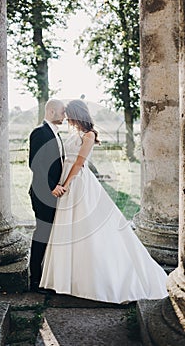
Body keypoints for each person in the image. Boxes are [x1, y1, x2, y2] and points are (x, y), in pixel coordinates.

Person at [39, 99, 168, 303]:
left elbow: (80, 163)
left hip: (77, 182)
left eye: (69, 114)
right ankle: (65, 280)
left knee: (86, 227)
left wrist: (66, 183)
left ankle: (95, 281)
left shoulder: (89, 135)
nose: (66, 117)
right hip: (65, 180)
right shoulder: (73, 134)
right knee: (67, 228)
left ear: (77, 114)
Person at [29, 99, 66, 293]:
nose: (65, 115)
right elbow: (35, 164)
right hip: (42, 193)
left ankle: (46, 276)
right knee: (42, 234)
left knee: (50, 235)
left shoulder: (56, 134)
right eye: (62, 112)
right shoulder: (39, 132)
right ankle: (34, 280)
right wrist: (52, 187)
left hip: (53, 193)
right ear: (51, 111)